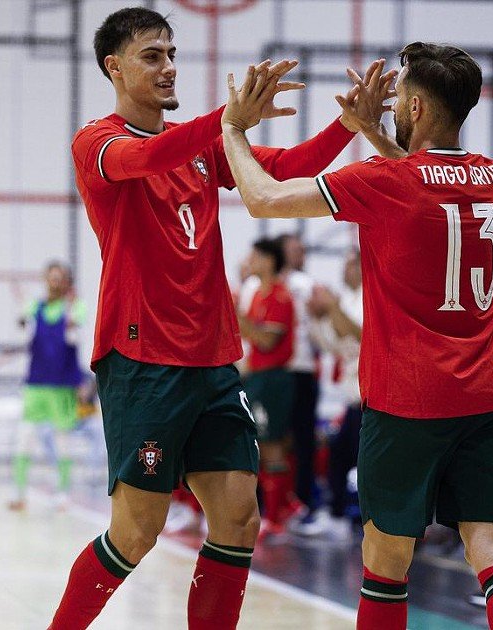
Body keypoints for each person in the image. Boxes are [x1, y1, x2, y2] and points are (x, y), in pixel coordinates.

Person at [48, 7, 366, 629]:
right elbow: (147, 159)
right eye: (152, 56)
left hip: (214, 361)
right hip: (143, 360)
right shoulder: (99, 141)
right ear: (114, 66)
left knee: (239, 520)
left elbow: (284, 167)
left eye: (172, 54)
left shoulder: (204, 145)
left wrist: (344, 126)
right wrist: (227, 122)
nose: (169, 67)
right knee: (136, 534)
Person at [220, 44, 493, 630]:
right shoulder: (492, 178)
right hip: (489, 393)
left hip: (408, 396)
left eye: (398, 99)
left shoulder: (384, 181)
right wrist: (372, 129)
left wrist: (233, 131)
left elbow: (263, 200)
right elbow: (423, 184)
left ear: (414, 106)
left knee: (386, 563)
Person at [10, 261, 87, 511]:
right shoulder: (35, 306)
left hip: (63, 386)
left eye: (60, 278)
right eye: (51, 277)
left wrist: (71, 309)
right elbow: (23, 325)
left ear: (67, 282)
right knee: (25, 438)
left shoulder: (75, 307)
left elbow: (74, 332)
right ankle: (19, 493)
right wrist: (22, 313)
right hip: (36, 383)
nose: (54, 282)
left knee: (63, 441)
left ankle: (63, 494)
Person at [237, 238, 299, 537]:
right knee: (259, 444)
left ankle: (277, 516)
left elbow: (266, 340)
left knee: (273, 444)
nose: (250, 261)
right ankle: (276, 509)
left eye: (256, 256)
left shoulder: (280, 296)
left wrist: (236, 315)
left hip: (275, 378)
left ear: (270, 260)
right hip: (258, 377)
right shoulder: (257, 296)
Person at [304, 247, 364, 541]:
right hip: (353, 396)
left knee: (355, 461)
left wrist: (333, 309)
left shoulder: (368, 296)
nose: (344, 269)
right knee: (340, 457)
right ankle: (339, 515)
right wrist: (318, 317)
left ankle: (355, 518)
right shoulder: (349, 299)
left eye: (351, 264)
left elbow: (359, 334)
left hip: (369, 395)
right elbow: (336, 346)